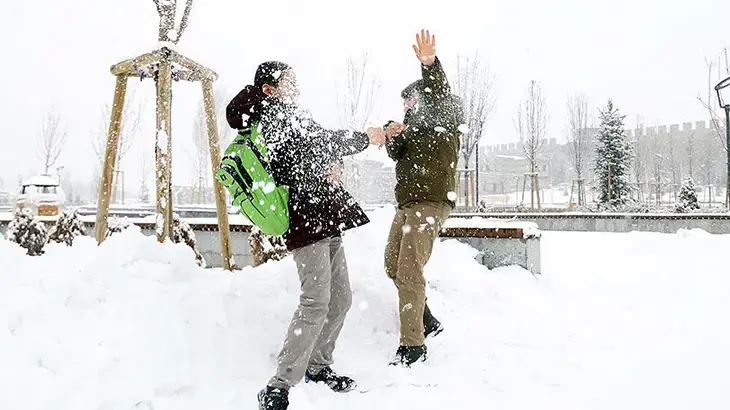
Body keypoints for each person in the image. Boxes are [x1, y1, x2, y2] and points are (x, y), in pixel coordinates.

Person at [226, 61, 386, 410]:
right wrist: (365, 138)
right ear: (269, 88)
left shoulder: (291, 113)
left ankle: (318, 366)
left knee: (340, 299)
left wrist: (334, 165)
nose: (295, 85)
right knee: (315, 301)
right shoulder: (272, 115)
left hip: (324, 215)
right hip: (305, 219)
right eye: (288, 80)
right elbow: (320, 143)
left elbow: (317, 151)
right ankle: (279, 385)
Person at [382, 30, 464, 366]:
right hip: (408, 205)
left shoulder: (443, 114)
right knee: (392, 264)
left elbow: (440, 93)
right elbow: (396, 153)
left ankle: (413, 346)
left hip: (431, 203)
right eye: (403, 102)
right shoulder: (411, 128)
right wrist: (390, 133)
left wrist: (429, 64)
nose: (406, 105)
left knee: (409, 270)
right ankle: (426, 319)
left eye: (410, 100)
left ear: (424, 98)